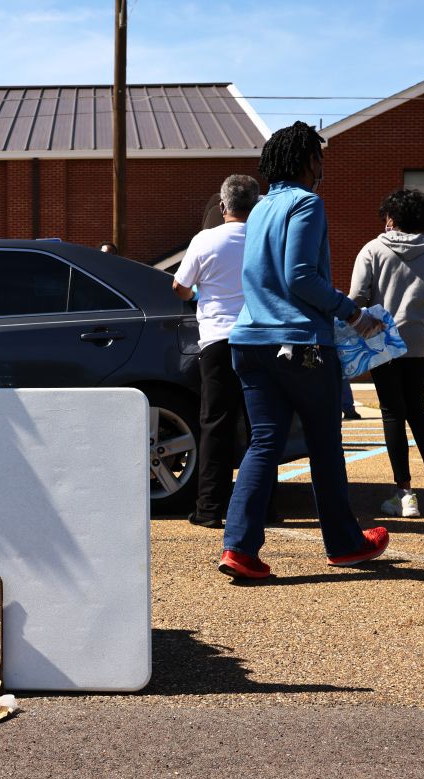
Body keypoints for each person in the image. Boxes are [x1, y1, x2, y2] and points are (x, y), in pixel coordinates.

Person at [216, 121, 389, 580]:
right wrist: (352, 314)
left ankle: (239, 548)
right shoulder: (306, 203)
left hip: (248, 340)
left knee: (264, 442)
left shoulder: (258, 210)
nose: (322, 167)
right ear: (309, 161)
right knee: (325, 445)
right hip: (300, 343)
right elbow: (299, 278)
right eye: (320, 158)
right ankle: (345, 544)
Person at [349, 188, 424, 519]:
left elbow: (356, 297)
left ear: (390, 218)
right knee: (418, 407)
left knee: (391, 412)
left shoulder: (372, 250)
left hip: (383, 341)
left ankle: (404, 493)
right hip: (421, 341)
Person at [172, 174, 260, 528]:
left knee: (216, 425)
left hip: (218, 340)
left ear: (223, 206)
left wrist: (196, 298)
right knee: (260, 426)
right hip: (259, 338)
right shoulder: (264, 238)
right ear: (255, 205)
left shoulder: (205, 240)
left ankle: (210, 509)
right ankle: (262, 506)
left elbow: (180, 286)